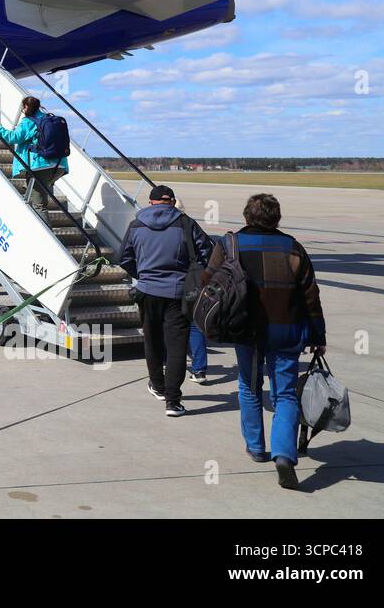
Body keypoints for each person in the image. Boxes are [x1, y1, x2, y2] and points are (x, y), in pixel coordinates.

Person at [203, 193, 326, 490]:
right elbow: (311, 295)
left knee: (249, 386)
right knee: (284, 395)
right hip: (287, 331)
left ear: (247, 216)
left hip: (245, 330)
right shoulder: (293, 248)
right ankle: (283, 455)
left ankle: (257, 448)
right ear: (277, 219)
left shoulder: (228, 245)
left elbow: (209, 284)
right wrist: (318, 335)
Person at [118, 185, 214, 417]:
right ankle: (173, 401)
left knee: (152, 341)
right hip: (178, 293)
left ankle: (157, 386)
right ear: (171, 201)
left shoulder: (136, 224)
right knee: (177, 346)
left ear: (150, 203)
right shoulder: (186, 223)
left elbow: (123, 258)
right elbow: (208, 253)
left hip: (148, 292)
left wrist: (143, 275)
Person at [0, 96, 68, 222]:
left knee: (39, 205)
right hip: (60, 165)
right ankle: (28, 188)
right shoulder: (49, 118)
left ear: (26, 107)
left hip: (41, 166)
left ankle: (47, 239)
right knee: (34, 191)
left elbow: (12, 137)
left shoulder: (28, 122)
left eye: (23, 108)